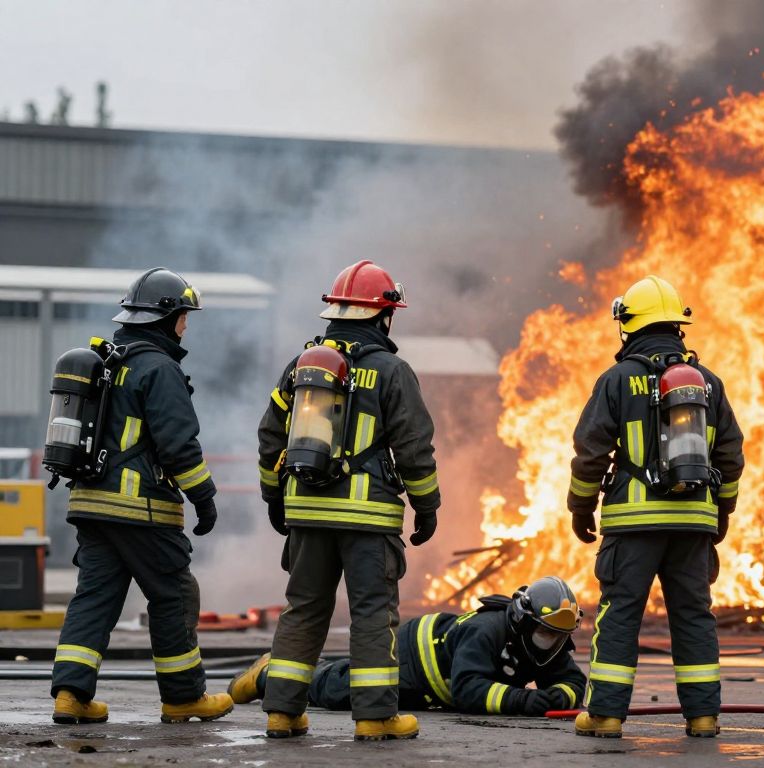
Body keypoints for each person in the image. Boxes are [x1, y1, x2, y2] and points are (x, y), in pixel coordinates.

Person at [256, 260, 441, 740]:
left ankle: (282, 710)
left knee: (303, 609)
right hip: (367, 518)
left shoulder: (301, 367)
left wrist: (275, 498)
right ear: (384, 316)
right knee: (372, 614)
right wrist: (427, 506)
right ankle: (376, 717)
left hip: (306, 514)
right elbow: (414, 447)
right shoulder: (392, 371)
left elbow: (270, 436)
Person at [50, 267, 232, 725]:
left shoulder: (110, 361)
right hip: (141, 509)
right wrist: (204, 498)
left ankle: (70, 695)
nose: (186, 326)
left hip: (90, 504)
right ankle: (184, 697)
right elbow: (179, 446)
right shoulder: (159, 369)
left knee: (94, 598)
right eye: (183, 317)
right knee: (173, 596)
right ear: (165, 318)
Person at [566, 275, 745, 739]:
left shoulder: (617, 381)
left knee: (621, 613)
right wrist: (722, 511)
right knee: (693, 615)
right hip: (695, 523)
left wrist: (581, 507)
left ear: (629, 326)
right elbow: (730, 453)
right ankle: (703, 717)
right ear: (677, 326)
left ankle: (604, 715)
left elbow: (590, 450)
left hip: (633, 526)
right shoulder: (708, 383)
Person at [228, 576, 586, 716]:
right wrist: (528, 701)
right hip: (413, 662)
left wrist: (559, 697)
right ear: (523, 622)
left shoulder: (547, 639)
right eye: (545, 633)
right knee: (340, 691)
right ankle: (268, 675)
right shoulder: (487, 631)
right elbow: (468, 690)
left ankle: (312, 665)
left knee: (346, 679)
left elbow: (573, 682)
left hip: (433, 688)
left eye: (557, 635)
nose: (551, 643)